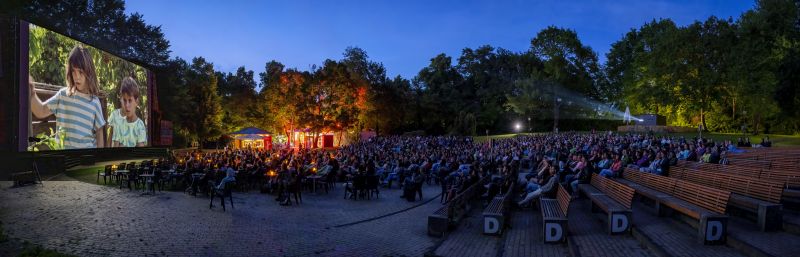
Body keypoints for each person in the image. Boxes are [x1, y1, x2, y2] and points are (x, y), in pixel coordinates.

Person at [29, 45, 105, 149]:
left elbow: (100, 132)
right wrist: (32, 93)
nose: (76, 76)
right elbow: (41, 111)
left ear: (89, 72)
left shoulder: (95, 102)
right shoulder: (63, 95)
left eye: (81, 72)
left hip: (86, 160)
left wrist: (99, 157)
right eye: (73, 71)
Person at [108, 77, 147, 147]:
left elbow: (140, 154)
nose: (127, 105)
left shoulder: (140, 126)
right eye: (124, 100)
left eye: (130, 100)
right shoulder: (119, 123)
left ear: (136, 102)